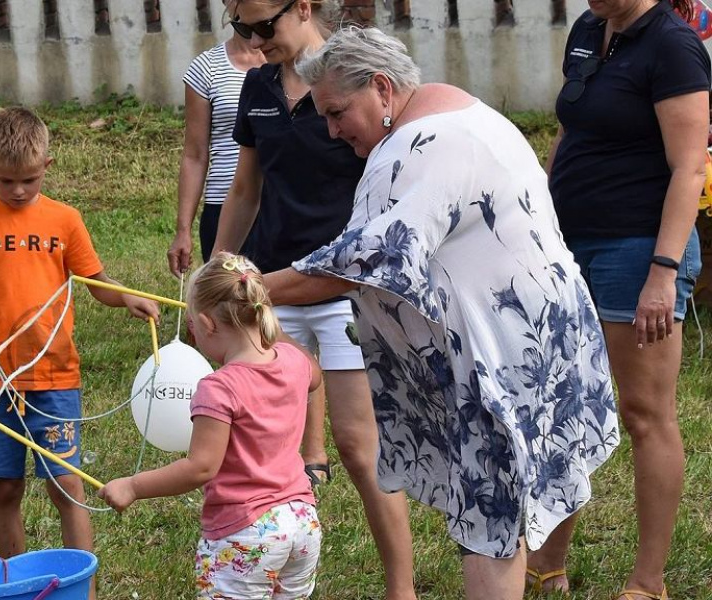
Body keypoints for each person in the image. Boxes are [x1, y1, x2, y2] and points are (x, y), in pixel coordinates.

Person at [271, 27, 619, 600]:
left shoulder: (422, 144)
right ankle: (545, 571)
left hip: (504, 357)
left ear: (382, 89)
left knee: (492, 524)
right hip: (549, 331)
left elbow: (370, 259)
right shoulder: (462, 110)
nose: (332, 130)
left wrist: (260, 288)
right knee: (533, 478)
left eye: (337, 112)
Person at [212, 1, 417, 596]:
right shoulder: (255, 86)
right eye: (238, 28)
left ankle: (401, 587)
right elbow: (245, 186)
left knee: (357, 446)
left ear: (302, 7)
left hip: (341, 289)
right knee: (261, 447)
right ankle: (271, 576)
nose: (251, 39)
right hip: (269, 289)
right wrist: (220, 268)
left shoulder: (355, 77)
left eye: (261, 26)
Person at [0, 106, 159, 599]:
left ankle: (86, 589)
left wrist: (127, 297)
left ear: (48, 168)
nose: (19, 191)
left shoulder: (65, 219)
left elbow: (95, 283)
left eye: (30, 180)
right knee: (6, 488)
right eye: (8, 180)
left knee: (67, 487)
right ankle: (16, 586)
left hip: (55, 379)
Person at [529, 2, 708, 598]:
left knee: (642, 413)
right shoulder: (589, 29)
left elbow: (688, 168)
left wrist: (662, 271)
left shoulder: (674, 46)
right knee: (563, 405)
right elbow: (573, 131)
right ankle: (548, 562)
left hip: (636, 248)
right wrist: (540, 216)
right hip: (570, 241)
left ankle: (648, 581)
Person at [101, 252, 322, 600]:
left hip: (246, 531)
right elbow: (315, 374)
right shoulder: (294, 362)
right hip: (302, 521)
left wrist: (133, 485)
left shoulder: (219, 387)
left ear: (206, 324)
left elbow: (201, 467)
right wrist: (271, 329)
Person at [168, 0, 265, 274]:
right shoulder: (206, 69)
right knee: (228, 299)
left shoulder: (290, 64)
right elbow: (195, 155)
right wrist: (183, 229)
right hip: (224, 206)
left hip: (279, 204)